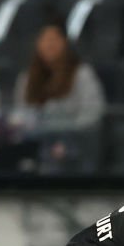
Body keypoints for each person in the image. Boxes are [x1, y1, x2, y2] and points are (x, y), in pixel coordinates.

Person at [10, 23, 106, 172]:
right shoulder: (27, 77)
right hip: (38, 145)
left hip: (75, 146)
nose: (50, 44)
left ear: (65, 43)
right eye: (45, 39)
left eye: (54, 39)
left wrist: (65, 132)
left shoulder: (82, 74)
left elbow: (92, 113)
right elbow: (20, 114)